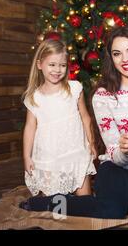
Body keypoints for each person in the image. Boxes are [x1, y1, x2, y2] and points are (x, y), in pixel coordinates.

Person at [21, 27, 128, 219]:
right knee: (112, 211)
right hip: (116, 169)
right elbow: (114, 154)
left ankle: (114, 201)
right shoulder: (103, 96)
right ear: (112, 59)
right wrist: (127, 151)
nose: (125, 59)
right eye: (117, 54)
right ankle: (47, 202)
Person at [21, 39, 97, 197]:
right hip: (49, 157)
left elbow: (85, 117)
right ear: (40, 64)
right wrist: (26, 156)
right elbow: (30, 128)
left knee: (85, 203)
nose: (57, 70)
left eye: (62, 65)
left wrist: (91, 143)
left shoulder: (74, 88)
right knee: (57, 210)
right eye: (52, 65)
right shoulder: (35, 97)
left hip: (76, 153)